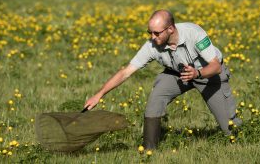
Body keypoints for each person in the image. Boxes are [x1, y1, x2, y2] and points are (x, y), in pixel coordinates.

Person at [84, 9, 242, 150]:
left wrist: (197, 74)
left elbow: (216, 66)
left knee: (229, 128)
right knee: (157, 95)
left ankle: (244, 142)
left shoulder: (194, 33)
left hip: (208, 74)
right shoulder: (152, 45)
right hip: (177, 74)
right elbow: (126, 72)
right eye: (149, 32)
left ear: (171, 29)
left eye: (156, 33)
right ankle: (148, 150)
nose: (152, 38)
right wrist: (99, 94)